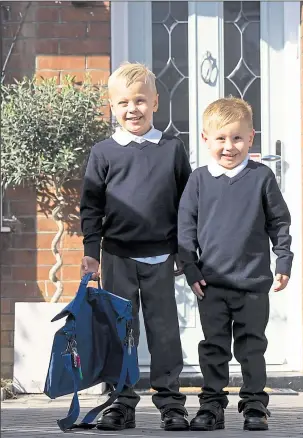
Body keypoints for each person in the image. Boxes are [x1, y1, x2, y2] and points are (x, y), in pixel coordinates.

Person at [80, 62, 192, 431]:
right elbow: (92, 206)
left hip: (161, 256)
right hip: (116, 256)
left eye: (140, 100)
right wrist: (91, 252)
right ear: (111, 107)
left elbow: (186, 204)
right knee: (120, 330)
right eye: (123, 102)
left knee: (164, 332)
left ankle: (171, 403)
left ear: (156, 102)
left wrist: (183, 249)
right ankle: (119, 402)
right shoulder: (104, 153)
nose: (133, 109)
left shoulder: (172, 149)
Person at [178, 97, 293, 431]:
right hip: (210, 285)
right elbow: (185, 229)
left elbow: (279, 223)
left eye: (237, 138)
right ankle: (212, 406)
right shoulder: (198, 180)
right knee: (213, 348)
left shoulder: (262, 178)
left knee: (251, 348)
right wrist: (190, 267)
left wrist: (283, 258)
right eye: (220, 139)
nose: (229, 147)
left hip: (253, 284)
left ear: (251, 137)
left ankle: (255, 406)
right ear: (205, 139)